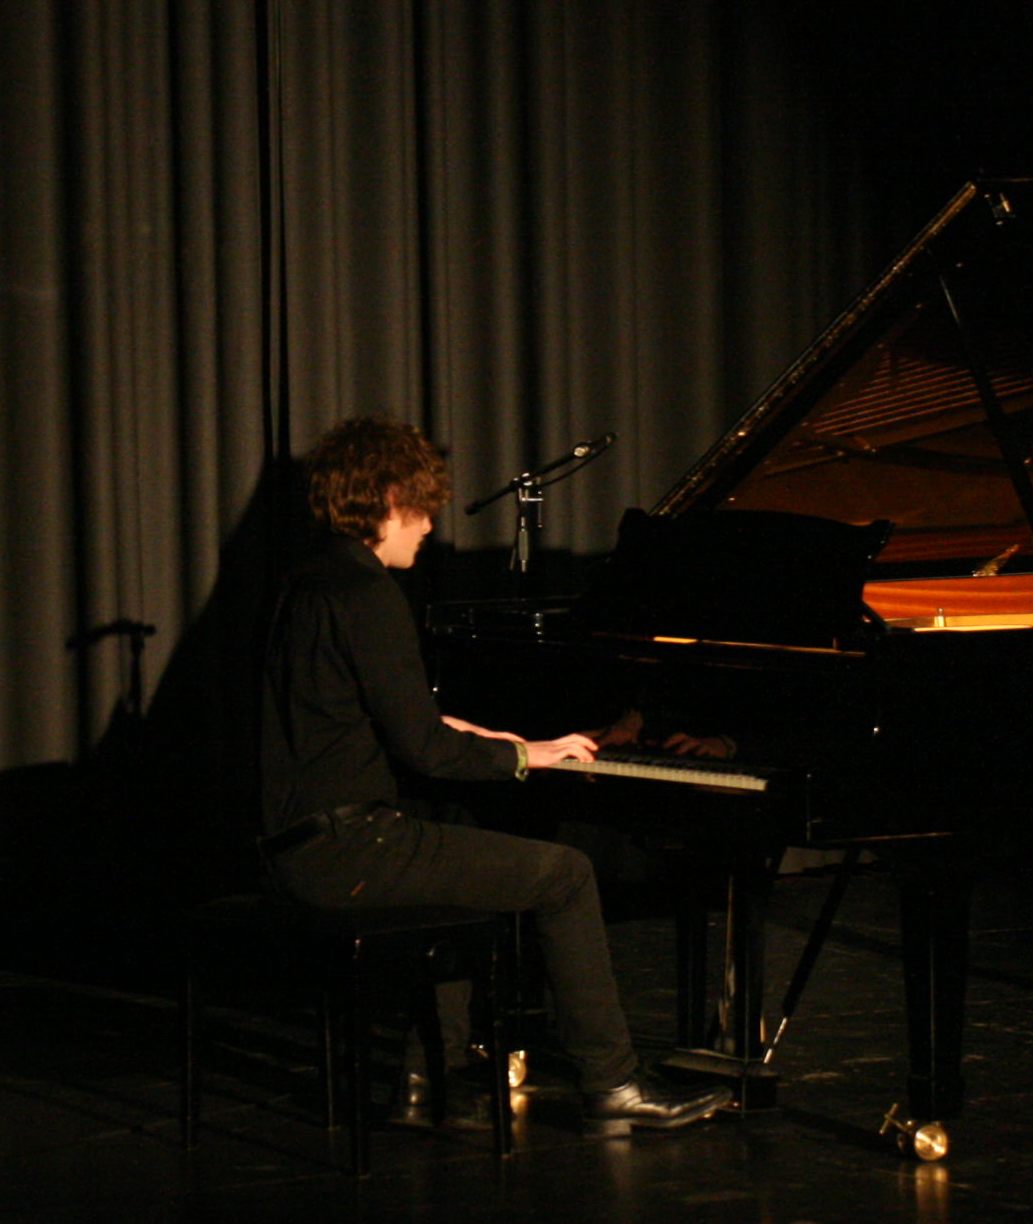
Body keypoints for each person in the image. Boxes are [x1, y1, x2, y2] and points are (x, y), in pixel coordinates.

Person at [257, 416, 721, 1131]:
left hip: (298, 843)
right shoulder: (369, 594)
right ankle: (615, 1084)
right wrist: (528, 755)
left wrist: (498, 737)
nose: (429, 526)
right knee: (566, 876)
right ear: (388, 501)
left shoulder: (313, 580)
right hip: (347, 850)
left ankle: (427, 1081)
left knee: (460, 847)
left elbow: (387, 713)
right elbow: (424, 750)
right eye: (421, 509)